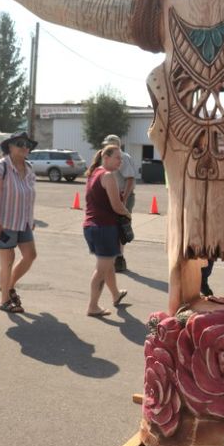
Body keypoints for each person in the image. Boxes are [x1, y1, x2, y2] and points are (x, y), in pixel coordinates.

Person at [0, 131, 38, 313]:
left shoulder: (28, 168)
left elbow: (28, 196)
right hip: (2, 222)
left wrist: (31, 217)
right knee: (8, 259)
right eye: (20, 143)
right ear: (10, 146)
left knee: (30, 255)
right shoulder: (0, 168)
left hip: (23, 221)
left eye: (27, 144)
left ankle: (8, 286)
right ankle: (5, 300)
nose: (25, 147)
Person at [83, 144, 131, 317]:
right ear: (106, 157)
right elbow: (117, 206)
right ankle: (93, 306)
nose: (121, 161)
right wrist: (127, 213)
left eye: (122, 158)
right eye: (118, 157)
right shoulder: (108, 175)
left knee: (108, 263)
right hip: (103, 227)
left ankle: (116, 295)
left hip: (92, 226)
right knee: (102, 269)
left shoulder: (94, 173)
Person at [101, 135, 136, 272]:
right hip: (115, 195)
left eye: (108, 145)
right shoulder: (112, 157)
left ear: (115, 145)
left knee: (121, 228)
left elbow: (130, 179)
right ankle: (114, 258)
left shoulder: (122, 157)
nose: (105, 147)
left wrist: (124, 199)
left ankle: (119, 259)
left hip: (122, 196)